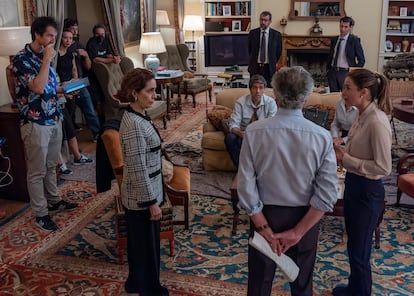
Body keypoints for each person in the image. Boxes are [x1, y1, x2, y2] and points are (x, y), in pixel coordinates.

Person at [237, 66, 338, 296]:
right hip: (305, 217)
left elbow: (245, 184)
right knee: (302, 284)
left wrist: (263, 227)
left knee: (259, 285)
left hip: (264, 214)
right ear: (306, 96)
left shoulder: (254, 131)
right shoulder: (322, 137)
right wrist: (298, 232)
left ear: (275, 94)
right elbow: (327, 193)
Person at [13, 16, 78, 232]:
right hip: (35, 121)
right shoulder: (22, 59)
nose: (53, 39)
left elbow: (49, 88)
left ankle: (54, 200)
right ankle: (41, 214)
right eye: (49, 35)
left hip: (54, 117)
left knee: (52, 165)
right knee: (36, 171)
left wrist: (65, 89)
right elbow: (38, 87)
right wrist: (47, 61)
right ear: (37, 35)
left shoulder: (44, 55)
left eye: (54, 35)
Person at [332, 69, 392, 296]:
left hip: (368, 192)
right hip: (355, 186)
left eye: (348, 88)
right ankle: (355, 288)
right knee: (354, 245)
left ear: (363, 92)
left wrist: (345, 158)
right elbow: (360, 150)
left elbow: (383, 167)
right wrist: (343, 151)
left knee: (360, 252)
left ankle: (362, 292)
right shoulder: (361, 114)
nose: (343, 92)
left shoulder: (377, 122)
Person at [117, 68, 169, 296]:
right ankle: (150, 290)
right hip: (141, 198)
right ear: (134, 92)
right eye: (150, 91)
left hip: (144, 193)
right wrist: (151, 203)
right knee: (146, 248)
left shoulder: (137, 115)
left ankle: (135, 282)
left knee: (140, 245)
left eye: (154, 90)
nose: (154, 95)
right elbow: (137, 168)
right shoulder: (133, 125)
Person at [225, 74, 277, 168]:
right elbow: (233, 124)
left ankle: (260, 169)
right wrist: (240, 133)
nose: (258, 91)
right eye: (254, 88)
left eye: (261, 88)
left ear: (264, 89)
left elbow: (272, 124)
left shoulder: (271, 103)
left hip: (262, 134)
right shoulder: (240, 102)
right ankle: (241, 168)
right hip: (244, 134)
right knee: (230, 138)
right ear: (250, 89)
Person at [57, 29, 101, 142]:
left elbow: (74, 69)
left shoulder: (71, 54)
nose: (68, 40)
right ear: (60, 39)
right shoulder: (55, 55)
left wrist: (75, 84)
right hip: (61, 87)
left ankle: (98, 134)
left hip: (73, 83)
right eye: (65, 38)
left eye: (70, 38)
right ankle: (69, 141)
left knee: (89, 108)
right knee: (69, 114)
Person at [327, 16, 365, 92]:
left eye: (346, 27)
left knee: (347, 96)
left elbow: (362, 60)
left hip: (346, 72)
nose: (342, 29)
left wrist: (353, 72)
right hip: (333, 72)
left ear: (350, 27)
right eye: (341, 26)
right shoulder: (334, 40)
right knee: (333, 96)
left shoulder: (354, 40)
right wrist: (328, 70)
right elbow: (331, 56)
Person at [248, 11, 282, 87]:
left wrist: (272, 61)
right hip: (255, 67)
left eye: (265, 20)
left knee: (269, 90)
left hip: (269, 68)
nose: (263, 22)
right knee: (254, 89)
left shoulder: (276, 35)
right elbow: (250, 49)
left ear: (270, 21)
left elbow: (278, 52)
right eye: (261, 20)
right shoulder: (253, 33)